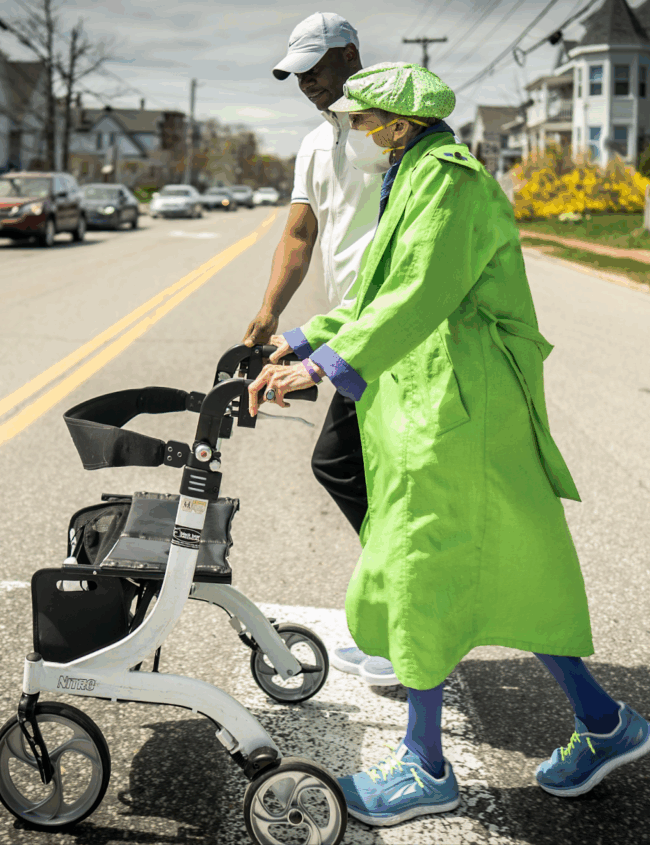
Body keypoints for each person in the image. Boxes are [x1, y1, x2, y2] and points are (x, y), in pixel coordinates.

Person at [247, 63, 650, 827]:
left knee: (424, 569)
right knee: (504, 569)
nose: (355, 134)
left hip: (455, 408)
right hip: (437, 401)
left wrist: (320, 368)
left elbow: (420, 291)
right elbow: (376, 289)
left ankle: (425, 767)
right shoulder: (413, 175)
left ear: (400, 124)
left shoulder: (450, 181)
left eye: (364, 121)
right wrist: (301, 338)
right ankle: (604, 722)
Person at [244, 12, 400, 686]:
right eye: (296, 72)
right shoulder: (315, 145)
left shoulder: (393, 131)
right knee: (358, 471)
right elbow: (299, 238)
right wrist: (268, 310)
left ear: (351, 56)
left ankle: (409, 615)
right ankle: (400, 611)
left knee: (346, 465)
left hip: (393, 326)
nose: (305, 81)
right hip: (350, 329)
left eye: (315, 67)